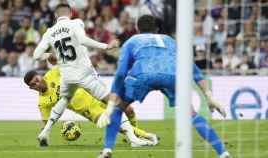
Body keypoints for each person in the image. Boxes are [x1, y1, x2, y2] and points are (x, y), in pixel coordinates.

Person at [97, 15, 231, 158]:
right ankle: (223, 153)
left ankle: (107, 150)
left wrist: (111, 103)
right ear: (156, 29)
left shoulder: (132, 41)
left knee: (119, 108)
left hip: (144, 74)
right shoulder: (170, 41)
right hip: (172, 76)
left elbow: (121, 73)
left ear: (137, 29)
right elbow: (193, 69)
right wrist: (209, 96)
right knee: (191, 114)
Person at [33, 4, 118, 145]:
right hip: (83, 73)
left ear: (55, 16)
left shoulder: (49, 31)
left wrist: (49, 55)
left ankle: (45, 131)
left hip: (67, 76)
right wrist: (106, 46)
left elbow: (36, 55)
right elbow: (83, 40)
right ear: (71, 13)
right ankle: (133, 137)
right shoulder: (76, 23)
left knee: (65, 99)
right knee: (110, 100)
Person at [23, 66, 158, 147]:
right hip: (89, 110)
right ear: (30, 88)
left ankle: (135, 135)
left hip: (95, 94)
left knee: (128, 109)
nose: (37, 84)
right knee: (116, 124)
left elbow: (63, 63)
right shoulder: (43, 102)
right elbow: (46, 123)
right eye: (33, 84)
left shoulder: (53, 73)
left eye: (37, 80)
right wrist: (44, 135)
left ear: (39, 76)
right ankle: (145, 136)